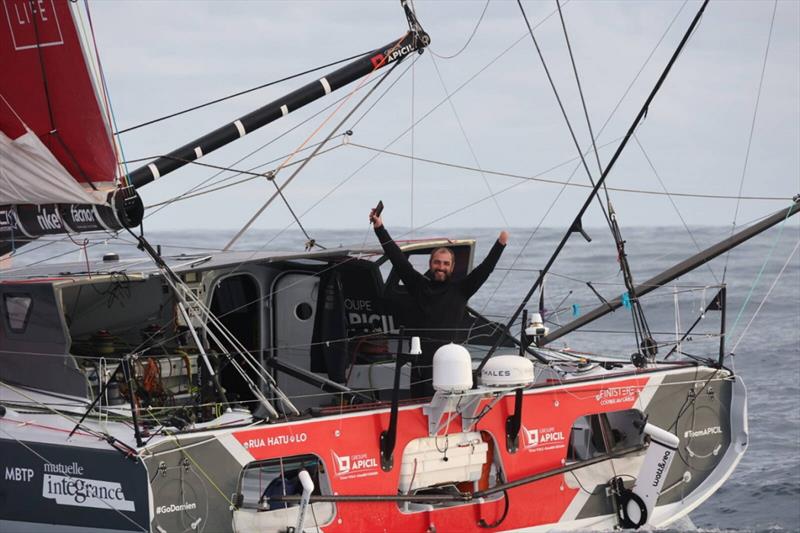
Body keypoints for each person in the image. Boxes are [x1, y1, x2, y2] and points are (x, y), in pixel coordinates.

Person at [370, 207, 508, 397]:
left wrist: (500, 245)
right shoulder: (419, 285)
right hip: (420, 362)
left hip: (449, 363)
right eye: (437, 262)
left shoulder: (461, 289)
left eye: (445, 263)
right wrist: (379, 228)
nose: (440, 267)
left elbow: (485, 269)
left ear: (452, 267)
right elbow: (397, 259)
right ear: (430, 264)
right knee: (417, 406)